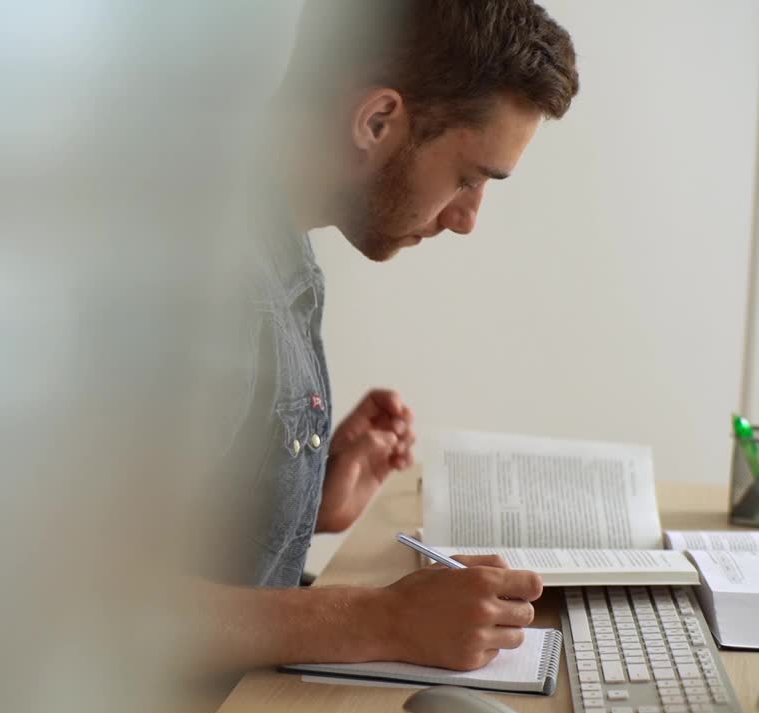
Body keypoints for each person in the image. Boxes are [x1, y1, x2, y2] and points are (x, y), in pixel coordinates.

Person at [199, 0, 580, 672]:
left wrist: (301, 501)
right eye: (468, 179)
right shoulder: (204, 280)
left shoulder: (278, 251)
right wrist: (386, 618)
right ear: (376, 121)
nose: (466, 219)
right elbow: (88, 605)